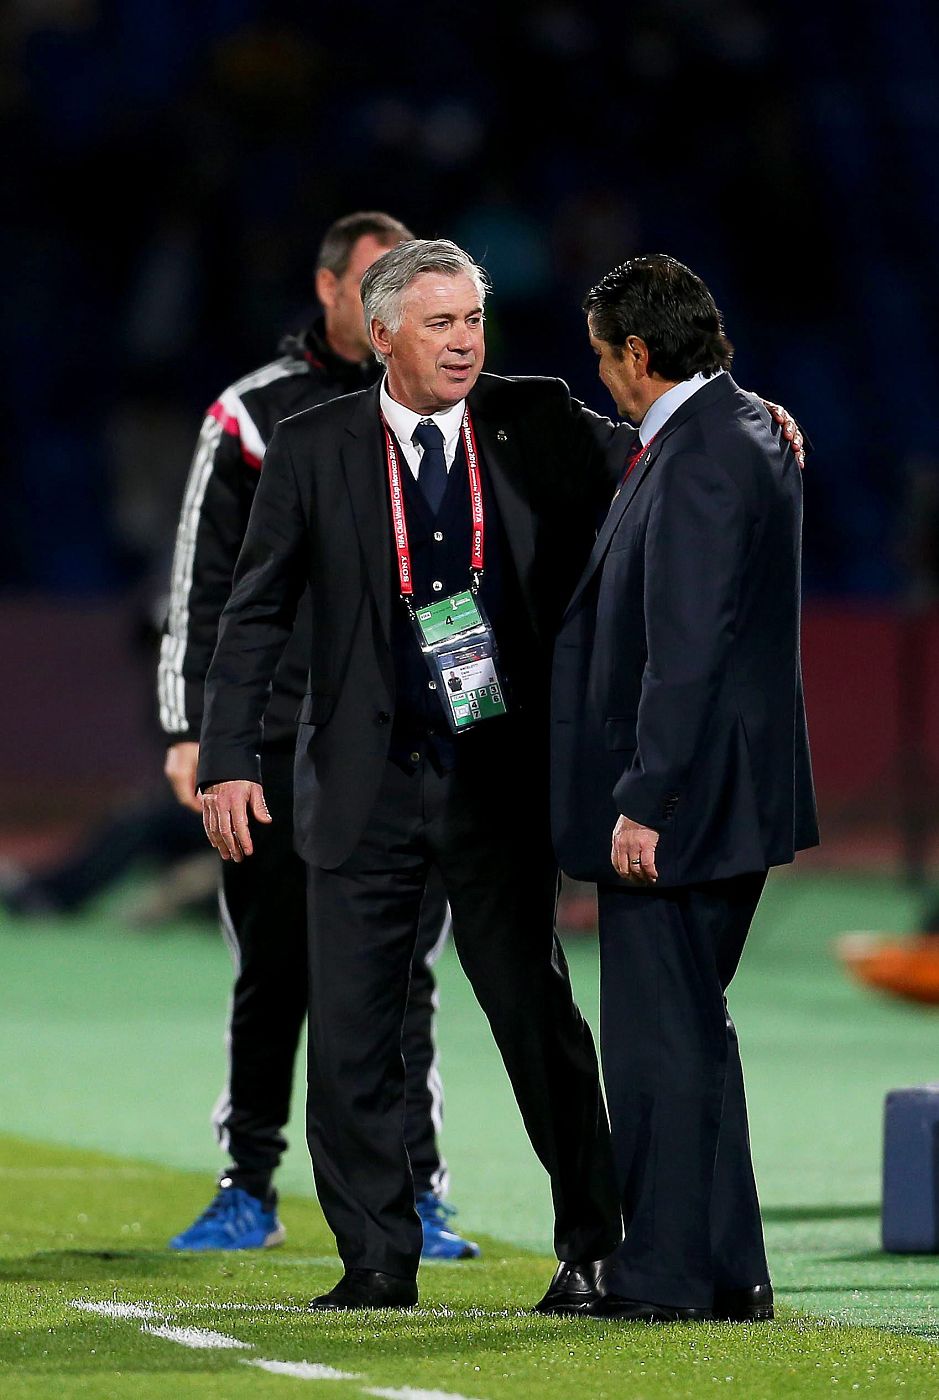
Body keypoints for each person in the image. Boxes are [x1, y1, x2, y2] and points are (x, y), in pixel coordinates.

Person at [197, 238, 630, 1312]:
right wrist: (226, 757)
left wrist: (743, 419)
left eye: (473, 319)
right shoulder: (312, 444)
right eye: (440, 324)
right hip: (363, 783)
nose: (464, 342)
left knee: (535, 1020)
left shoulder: (534, 416)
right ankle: (377, 1260)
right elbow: (254, 610)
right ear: (382, 333)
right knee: (352, 1036)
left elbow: (657, 455)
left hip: (498, 781)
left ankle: (595, 1247)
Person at [158, 213, 479, 1261]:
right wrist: (197, 734)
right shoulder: (255, 416)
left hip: (405, 745)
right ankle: (247, 1184)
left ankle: (419, 1191)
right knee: (274, 972)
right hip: (277, 742)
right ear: (334, 291)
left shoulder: (453, 414)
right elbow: (208, 587)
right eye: (380, 281)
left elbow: (458, 582)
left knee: (403, 975)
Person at [551, 254, 818, 1322]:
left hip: (688, 801)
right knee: (693, 1029)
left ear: (639, 352)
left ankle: (662, 1274)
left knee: (658, 1039)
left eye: (603, 357)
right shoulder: (743, 429)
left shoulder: (703, 452)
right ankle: (729, 1269)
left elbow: (688, 648)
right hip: (729, 794)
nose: (602, 376)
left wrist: (644, 798)